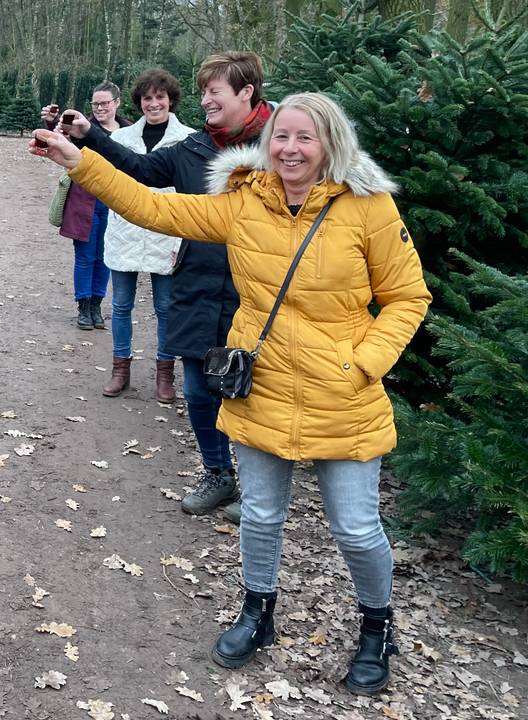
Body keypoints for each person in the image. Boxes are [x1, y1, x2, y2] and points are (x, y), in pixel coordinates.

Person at [32, 91, 430, 696]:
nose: (291, 149)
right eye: (283, 137)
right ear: (267, 144)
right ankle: (258, 613)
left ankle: (377, 626)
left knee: (354, 527)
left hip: (342, 391)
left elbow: (408, 297)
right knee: (263, 514)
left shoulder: (368, 209)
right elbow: (153, 209)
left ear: (331, 145)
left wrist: (365, 363)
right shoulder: (244, 203)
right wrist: (76, 156)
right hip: (261, 382)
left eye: (306, 138)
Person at [62, 52, 270, 518]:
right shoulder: (196, 148)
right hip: (197, 282)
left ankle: (260, 492)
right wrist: (90, 137)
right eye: (203, 92)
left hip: (257, 291)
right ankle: (219, 474)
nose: (205, 100)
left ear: (245, 92)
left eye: (213, 91)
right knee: (198, 389)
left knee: (254, 396)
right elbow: (142, 171)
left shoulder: (282, 148)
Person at [101, 69, 194, 401]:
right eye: (147, 98)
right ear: (139, 102)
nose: (154, 104)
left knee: (166, 307)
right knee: (122, 304)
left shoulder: (188, 140)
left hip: (166, 235)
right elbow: (108, 182)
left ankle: (165, 374)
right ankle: (120, 370)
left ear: (171, 100)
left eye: (160, 97)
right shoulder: (120, 140)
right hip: (125, 231)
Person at [41, 83, 130, 331]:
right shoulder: (83, 130)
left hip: (117, 201)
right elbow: (61, 141)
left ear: (117, 102)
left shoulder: (130, 131)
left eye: (105, 103)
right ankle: (84, 306)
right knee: (85, 256)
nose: (100, 108)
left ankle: (97, 305)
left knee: (105, 257)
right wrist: (52, 122)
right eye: (95, 104)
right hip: (85, 201)